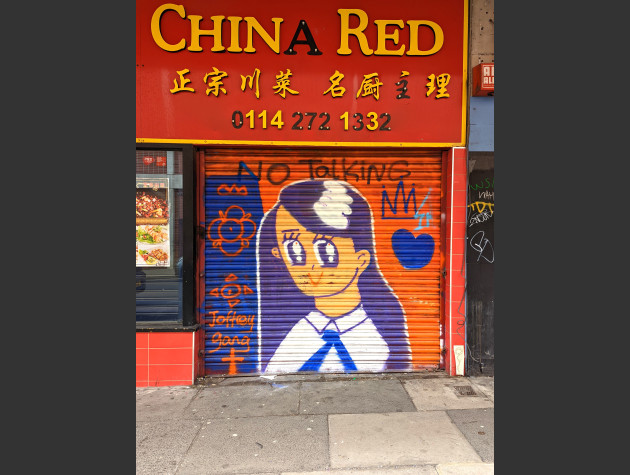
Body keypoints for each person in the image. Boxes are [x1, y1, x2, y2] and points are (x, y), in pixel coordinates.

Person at [256, 179, 411, 373]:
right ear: (279, 255)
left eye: (326, 252)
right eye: (294, 252)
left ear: (361, 259)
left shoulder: (380, 336)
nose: (310, 268)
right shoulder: (296, 336)